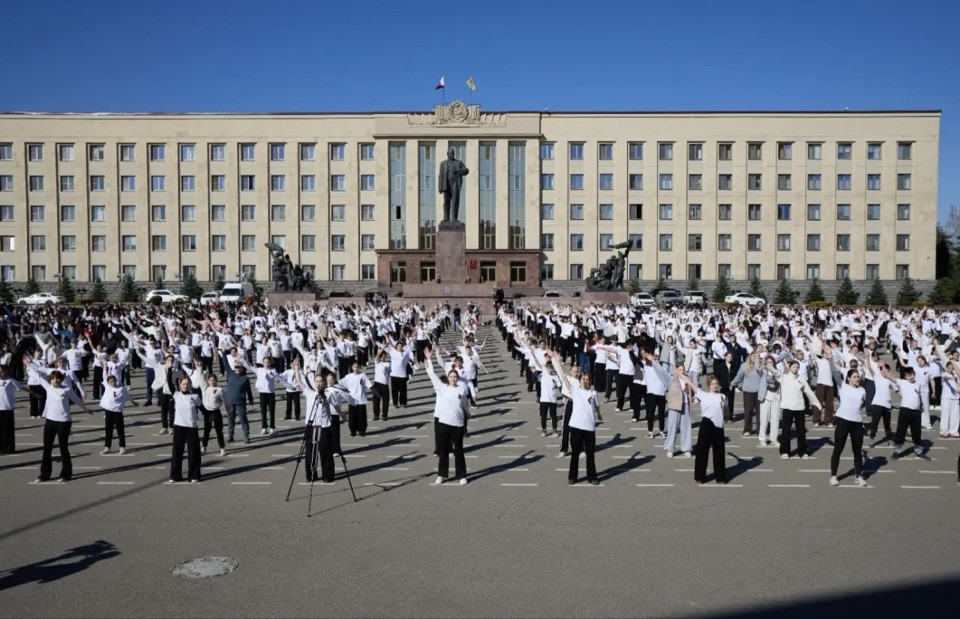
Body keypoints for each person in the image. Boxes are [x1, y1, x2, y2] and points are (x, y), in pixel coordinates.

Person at [29, 363, 90, 483]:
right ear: (50, 380)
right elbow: (37, 376)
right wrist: (29, 365)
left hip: (63, 422)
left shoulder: (67, 390)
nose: (55, 380)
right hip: (50, 421)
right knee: (47, 448)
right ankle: (44, 474)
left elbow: (77, 400)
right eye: (53, 379)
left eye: (58, 379)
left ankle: (66, 474)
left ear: (61, 380)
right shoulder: (48, 387)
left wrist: (86, 409)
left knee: (63, 448)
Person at [551, 350, 601, 485]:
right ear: (579, 381)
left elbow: (596, 406)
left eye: (587, 379)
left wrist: (599, 414)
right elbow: (563, 377)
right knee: (575, 454)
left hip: (589, 428)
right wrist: (558, 363)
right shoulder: (575, 391)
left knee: (590, 454)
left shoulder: (593, 393)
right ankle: (572, 476)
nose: (586, 381)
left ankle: (592, 476)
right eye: (583, 379)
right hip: (577, 427)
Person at [424, 348, 469, 486]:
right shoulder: (442, 388)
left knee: (458, 450)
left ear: (457, 378)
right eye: (451, 377)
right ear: (448, 378)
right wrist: (429, 359)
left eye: (455, 377)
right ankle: (442, 474)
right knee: (443, 451)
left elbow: (465, 404)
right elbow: (431, 374)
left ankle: (461, 475)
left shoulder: (461, 389)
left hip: (458, 423)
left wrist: (468, 414)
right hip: (444, 423)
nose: (453, 379)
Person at [829, 366, 868, 487]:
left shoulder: (862, 390)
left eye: (858, 377)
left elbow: (862, 405)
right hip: (843, 421)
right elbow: (835, 374)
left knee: (857, 451)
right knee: (838, 449)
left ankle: (858, 476)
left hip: (856, 422)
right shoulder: (843, 387)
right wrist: (830, 358)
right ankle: (834, 476)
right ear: (848, 378)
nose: (857, 379)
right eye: (854, 377)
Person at [778, 359, 822, 459]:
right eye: (794, 367)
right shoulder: (784, 377)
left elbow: (809, 392)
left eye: (797, 367)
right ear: (789, 367)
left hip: (799, 407)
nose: (796, 369)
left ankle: (802, 451)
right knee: (786, 431)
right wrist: (768, 364)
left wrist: (817, 404)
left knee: (801, 431)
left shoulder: (801, 379)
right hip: (787, 407)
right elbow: (774, 371)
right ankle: (785, 451)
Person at [693, 377, 728, 484]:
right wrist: (679, 374)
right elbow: (690, 383)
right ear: (709, 385)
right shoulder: (703, 395)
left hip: (719, 425)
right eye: (713, 384)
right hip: (706, 423)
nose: (715, 385)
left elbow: (726, 412)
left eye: (717, 383)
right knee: (702, 450)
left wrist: (723, 408)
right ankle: (700, 476)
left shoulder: (723, 396)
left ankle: (720, 476)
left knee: (719, 451)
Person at [169, 377, 202, 483]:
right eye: (183, 384)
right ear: (180, 385)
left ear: (190, 385)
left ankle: (194, 476)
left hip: (191, 427)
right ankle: (175, 476)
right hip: (179, 426)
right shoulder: (176, 395)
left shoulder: (195, 396)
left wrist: (211, 415)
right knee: (177, 452)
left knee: (193, 452)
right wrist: (168, 370)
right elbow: (169, 382)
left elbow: (202, 408)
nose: (185, 385)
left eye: (187, 384)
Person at [891, 367, 927, 459]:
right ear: (905, 376)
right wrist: (883, 367)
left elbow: (918, 396)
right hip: (905, 410)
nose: (910, 377)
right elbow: (890, 377)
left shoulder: (918, 383)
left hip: (916, 411)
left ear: (914, 374)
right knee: (901, 431)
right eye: (908, 375)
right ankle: (897, 451)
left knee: (917, 432)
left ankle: (918, 450)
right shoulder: (903, 382)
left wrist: (921, 405)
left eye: (911, 375)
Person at [663, 357, 695, 458]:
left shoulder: (688, 378)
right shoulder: (672, 378)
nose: (682, 372)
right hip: (674, 405)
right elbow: (664, 374)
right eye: (680, 370)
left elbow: (692, 390)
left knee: (686, 428)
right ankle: (670, 448)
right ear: (676, 370)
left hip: (685, 404)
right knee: (672, 427)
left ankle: (686, 448)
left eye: (683, 370)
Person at [99, 374, 136, 455]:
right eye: (111, 382)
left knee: (120, 430)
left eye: (114, 381)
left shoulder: (121, 389)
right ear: (108, 382)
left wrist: (133, 402)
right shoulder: (107, 387)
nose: (113, 383)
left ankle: (122, 447)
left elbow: (128, 396)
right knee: (108, 429)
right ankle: (107, 447)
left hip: (118, 411)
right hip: (108, 411)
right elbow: (104, 373)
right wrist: (104, 365)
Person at [221, 350, 251, 444]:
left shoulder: (245, 378)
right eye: (236, 367)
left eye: (239, 367)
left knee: (243, 419)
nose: (238, 369)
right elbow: (225, 362)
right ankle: (230, 435)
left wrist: (250, 399)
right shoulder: (230, 374)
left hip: (240, 402)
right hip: (230, 401)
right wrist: (223, 352)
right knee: (230, 419)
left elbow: (248, 391)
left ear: (242, 368)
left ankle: (246, 436)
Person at [339, 361, 372, 437]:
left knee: (362, 417)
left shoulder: (363, 375)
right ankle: (353, 431)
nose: (356, 368)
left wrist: (375, 392)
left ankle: (362, 430)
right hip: (352, 400)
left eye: (357, 367)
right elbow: (340, 383)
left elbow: (369, 384)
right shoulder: (348, 377)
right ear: (352, 368)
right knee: (352, 417)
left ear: (359, 367)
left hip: (361, 400)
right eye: (354, 367)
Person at [201, 374, 226, 457]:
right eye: (210, 380)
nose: (212, 382)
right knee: (206, 430)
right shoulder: (205, 389)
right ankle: (204, 446)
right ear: (208, 381)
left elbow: (223, 399)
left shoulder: (219, 389)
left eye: (214, 380)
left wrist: (219, 398)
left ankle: (222, 448)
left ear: (216, 380)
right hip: (207, 412)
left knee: (218, 431)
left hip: (215, 411)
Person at [0, 364, 22, 454]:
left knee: (8, 430)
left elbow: (20, 387)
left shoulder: (10, 380)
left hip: (8, 408)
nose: (0, 374)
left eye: (2, 371)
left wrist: (32, 393)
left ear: (5, 371)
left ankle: (9, 448)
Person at [371, 348, 391, 421]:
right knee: (376, 401)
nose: (382, 357)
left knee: (385, 401)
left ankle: (384, 415)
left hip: (385, 384)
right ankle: (376, 415)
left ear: (385, 356)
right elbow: (377, 357)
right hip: (377, 384)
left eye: (384, 356)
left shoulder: (388, 364)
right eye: (381, 356)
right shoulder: (377, 363)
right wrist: (382, 348)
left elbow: (389, 373)